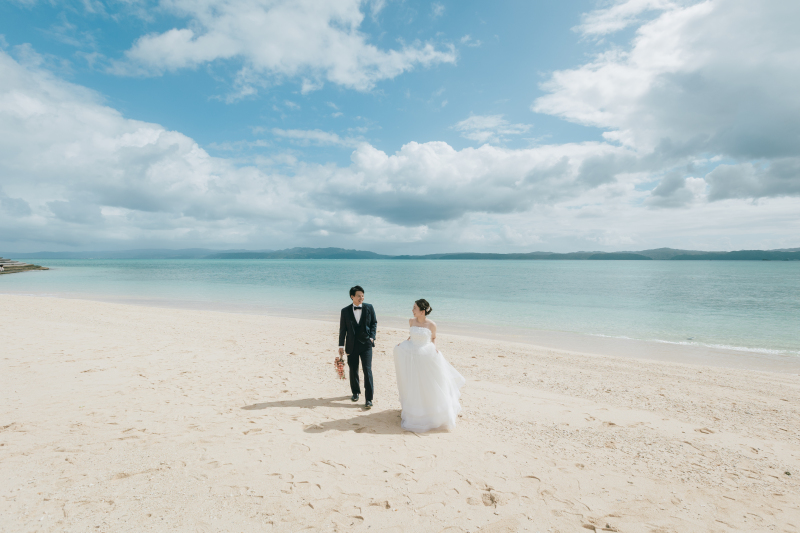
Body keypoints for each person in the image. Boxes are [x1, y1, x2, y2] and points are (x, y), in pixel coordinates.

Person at [393, 299, 465, 432]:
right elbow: (411, 336)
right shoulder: (411, 321)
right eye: (413, 307)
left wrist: (435, 349)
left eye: (415, 308)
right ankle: (414, 410)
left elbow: (433, 338)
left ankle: (430, 412)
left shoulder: (432, 324)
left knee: (428, 383)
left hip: (425, 354)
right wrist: (403, 343)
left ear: (422, 311)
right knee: (414, 382)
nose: (412, 310)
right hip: (412, 354)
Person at [338, 285, 377, 409]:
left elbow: (374, 323)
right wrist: (340, 345)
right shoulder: (345, 311)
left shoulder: (369, 308)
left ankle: (369, 399)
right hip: (351, 345)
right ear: (352, 297)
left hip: (366, 345)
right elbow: (342, 330)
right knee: (353, 370)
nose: (362, 297)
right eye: (359, 295)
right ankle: (355, 392)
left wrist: (372, 337)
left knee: (367, 370)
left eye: (363, 295)